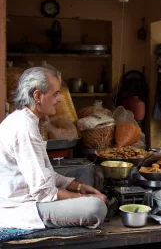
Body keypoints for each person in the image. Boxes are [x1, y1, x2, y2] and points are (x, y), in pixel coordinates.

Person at [0, 66, 107, 230]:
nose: (60, 99)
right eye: (55, 93)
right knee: (96, 208)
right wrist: (83, 198)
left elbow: (46, 174)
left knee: (84, 174)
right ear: (37, 96)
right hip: (24, 209)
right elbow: (43, 192)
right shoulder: (24, 128)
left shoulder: (29, 121)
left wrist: (78, 186)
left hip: (34, 196)